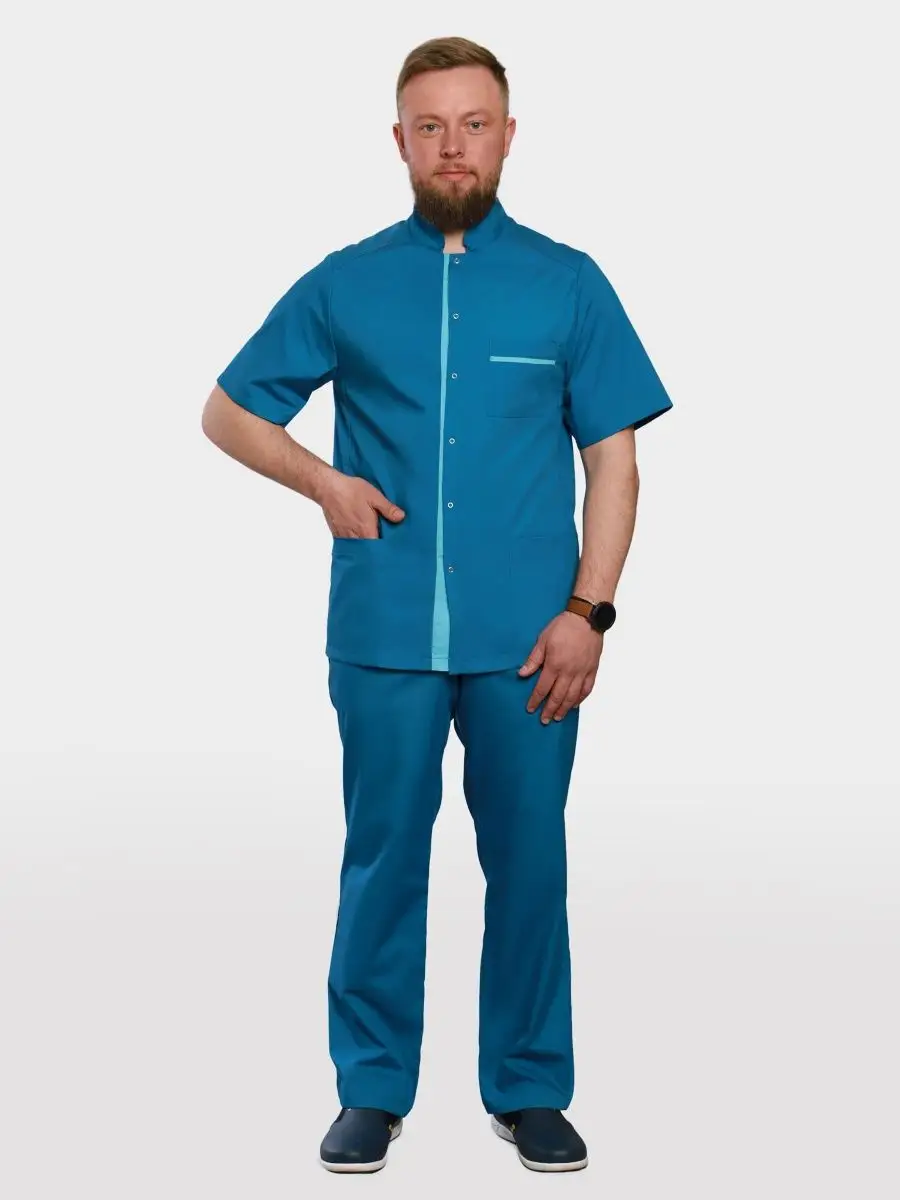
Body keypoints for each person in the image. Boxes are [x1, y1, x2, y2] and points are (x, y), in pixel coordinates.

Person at [202, 34, 673, 1175]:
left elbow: (613, 463)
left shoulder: (569, 282)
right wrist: (323, 482)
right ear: (400, 141)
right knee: (382, 858)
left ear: (508, 136)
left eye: (474, 124)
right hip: (384, 630)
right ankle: (372, 1088)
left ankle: (529, 1088)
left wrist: (589, 613)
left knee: (530, 861)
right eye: (431, 126)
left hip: (532, 642)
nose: (452, 145)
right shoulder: (346, 281)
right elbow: (228, 411)